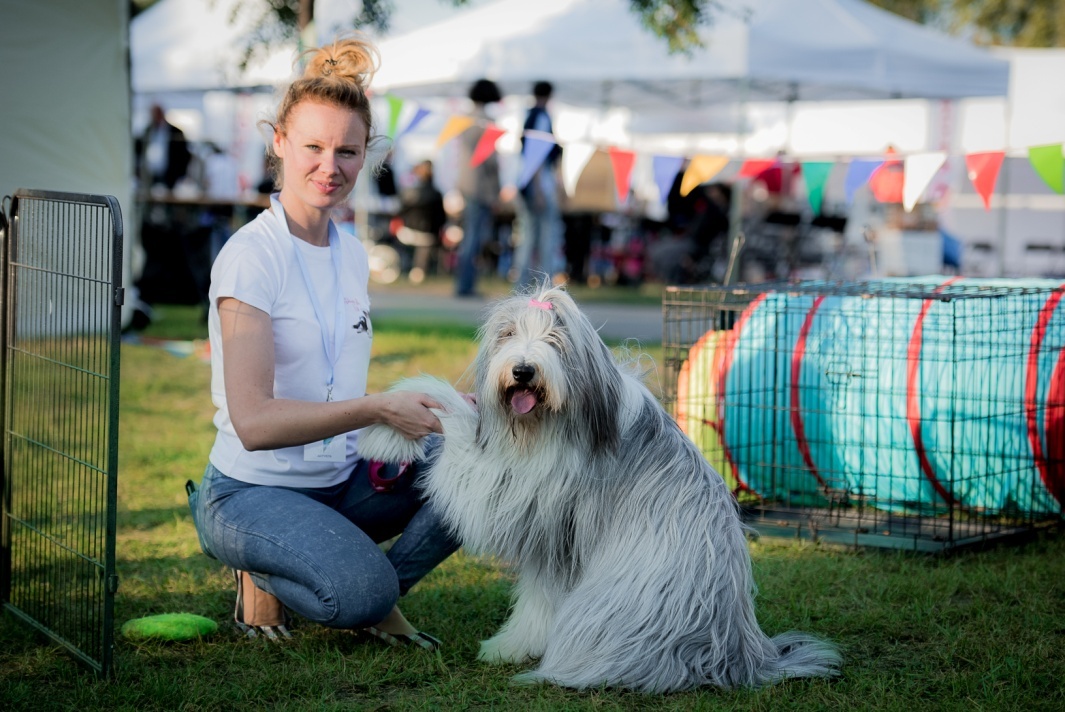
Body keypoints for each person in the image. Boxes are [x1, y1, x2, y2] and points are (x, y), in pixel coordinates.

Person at [190, 35, 460, 648]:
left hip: (340, 482)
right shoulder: (250, 258)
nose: (329, 166)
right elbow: (254, 422)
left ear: (367, 156)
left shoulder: (352, 255)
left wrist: (433, 411)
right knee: (361, 592)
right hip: (251, 491)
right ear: (278, 143)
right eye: (312, 146)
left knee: (480, 464)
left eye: (347, 150)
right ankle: (285, 570)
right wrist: (375, 408)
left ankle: (354, 579)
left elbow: (331, 381)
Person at [454, 78, 503, 297]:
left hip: (465, 182)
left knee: (469, 236)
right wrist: (497, 189)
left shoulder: (463, 121)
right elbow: (490, 160)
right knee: (474, 237)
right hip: (481, 186)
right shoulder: (487, 122)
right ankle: (466, 285)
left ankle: (464, 283)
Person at [513, 80, 564, 289]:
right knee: (543, 238)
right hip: (538, 186)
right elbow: (537, 157)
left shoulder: (528, 116)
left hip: (528, 185)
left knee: (528, 236)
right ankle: (543, 284)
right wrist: (539, 190)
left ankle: (522, 285)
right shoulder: (541, 118)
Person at [395, 160, 447, 283]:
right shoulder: (436, 194)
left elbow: (400, 212)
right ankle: (419, 270)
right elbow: (442, 219)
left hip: (408, 232)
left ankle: (404, 266)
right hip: (427, 233)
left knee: (420, 240)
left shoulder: (409, 192)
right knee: (426, 240)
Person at [135, 103, 192, 192]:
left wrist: (181, 175)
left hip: (171, 176)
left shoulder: (176, 132)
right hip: (150, 176)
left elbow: (184, 155)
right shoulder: (147, 131)